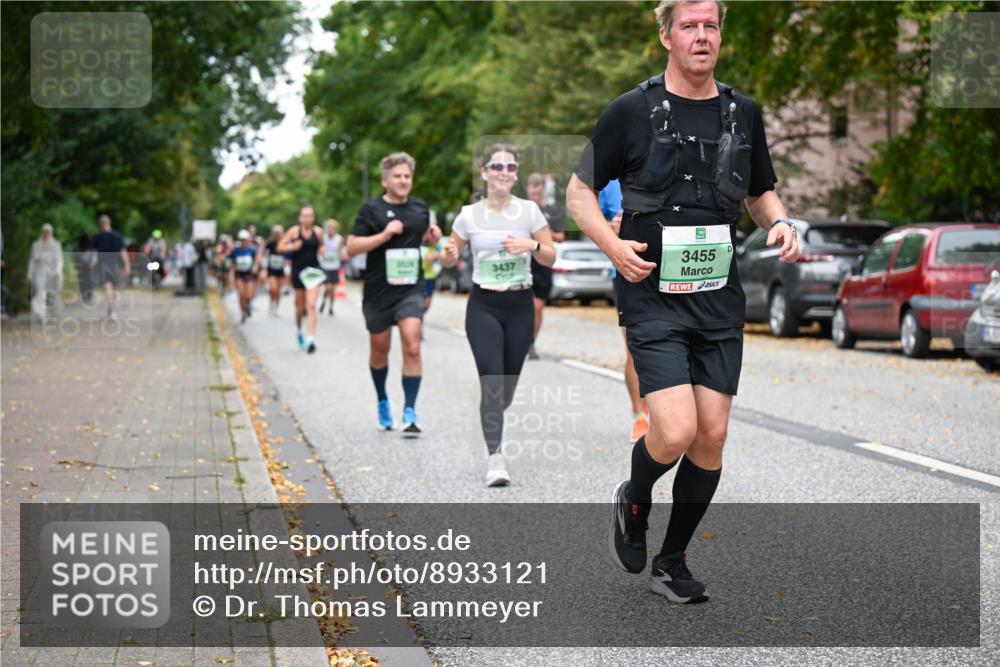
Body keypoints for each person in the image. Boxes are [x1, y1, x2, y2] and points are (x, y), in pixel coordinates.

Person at [566, 0, 800, 603]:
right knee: (672, 431)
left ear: (721, 34)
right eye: (690, 26)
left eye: (711, 26)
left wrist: (779, 223)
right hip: (651, 292)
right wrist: (612, 246)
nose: (702, 36)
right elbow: (579, 194)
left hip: (717, 293)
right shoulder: (630, 110)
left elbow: (760, 190)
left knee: (712, 436)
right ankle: (635, 497)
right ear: (666, 35)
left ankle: (673, 560)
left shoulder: (742, 112)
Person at [442, 144, 555, 486]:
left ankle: (493, 423)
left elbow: (550, 255)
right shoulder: (467, 215)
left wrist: (531, 246)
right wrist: (447, 254)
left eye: (509, 166)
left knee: (505, 390)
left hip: (520, 306)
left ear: (515, 174)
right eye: (497, 166)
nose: (503, 172)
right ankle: (496, 458)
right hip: (483, 307)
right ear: (485, 172)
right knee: (492, 383)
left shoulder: (530, 212)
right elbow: (449, 257)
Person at [346, 152, 442, 435]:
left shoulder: (420, 208)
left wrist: (431, 239)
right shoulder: (371, 210)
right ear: (385, 180)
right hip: (378, 292)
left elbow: (420, 238)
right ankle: (382, 401)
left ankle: (410, 411)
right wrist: (384, 235)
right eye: (397, 176)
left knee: (412, 344)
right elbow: (351, 247)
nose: (403, 181)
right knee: (380, 351)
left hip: (411, 288)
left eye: (407, 176)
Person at [601, 179, 650, 445]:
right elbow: (588, 219)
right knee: (634, 345)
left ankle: (663, 406)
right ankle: (639, 415)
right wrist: (608, 230)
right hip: (625, 270)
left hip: (668, 268)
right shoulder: (610, 182)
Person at [524, 173, 567, 360]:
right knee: (522, 307)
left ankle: (531, 342)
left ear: (542, 189)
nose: (535, 191)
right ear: (527, 189)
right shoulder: (520, 210)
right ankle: (519, 340)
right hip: (523, 261)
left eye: (538, 187)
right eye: (532, 188)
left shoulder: (552, 211)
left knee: (537, 307)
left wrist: (544, 232)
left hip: (543, 262)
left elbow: (561, 236)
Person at [277, 206, 325, 353]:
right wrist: (292, 246)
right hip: (298, 272)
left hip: (313, 272)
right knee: (300, 307)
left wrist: (322, 250)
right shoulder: (294, 232)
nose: (307, 219)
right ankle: (299, 330)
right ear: (300, 218)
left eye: (310, 216)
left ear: (313, 217)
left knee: (311, 305)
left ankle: (311, 339)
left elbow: (321, 245)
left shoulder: (318, 232)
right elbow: (280, 247)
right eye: (304, 216)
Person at [91, 214, 130, 321]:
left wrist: (127, 264)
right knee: (109, 287)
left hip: (110, 264)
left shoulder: (105, 236)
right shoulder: (111, 236)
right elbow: (122, 250)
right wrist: (127, 264)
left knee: (110, 288)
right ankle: (112, 307)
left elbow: (122, 250)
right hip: (109, 264)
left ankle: (111, 306)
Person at [28, 223, 64, 322]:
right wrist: (30, 275)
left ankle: (53, 314)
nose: (46, 234)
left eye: (48, 232)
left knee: (53, 295)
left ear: (51, 232)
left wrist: (58, 271)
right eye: (44, 232)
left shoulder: (56, 245)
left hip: (53, 273)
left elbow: (60, 260)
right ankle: (41, 314)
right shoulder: (36, 245)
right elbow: (32, 261)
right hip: (39, 272)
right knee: (40, 293)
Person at [229, 230, 260, 323]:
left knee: (248, 294)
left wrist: (255, 267)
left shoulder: (251, 249)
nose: (243, 241)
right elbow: (233, 264)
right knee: (241, 294)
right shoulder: (235, 251)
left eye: (245, 239)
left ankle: (248, 305)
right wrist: (231, 276)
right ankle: (243, 313)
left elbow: (256, 260)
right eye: (241, 239)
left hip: (249, 273)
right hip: (239, 274)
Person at [319, 219, 346, 316]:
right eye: (329, 228)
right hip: (325, 265)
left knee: (333, 289)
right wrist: (321, 252)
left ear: (335, 229)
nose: (330, 230)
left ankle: (330, 307)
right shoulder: (323, 238)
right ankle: (323, 301)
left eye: (332, 228)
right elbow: (319, 249)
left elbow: (341, 250)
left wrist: (341, 254)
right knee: (328, 287)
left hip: (335, 266)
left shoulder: (339, 239)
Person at [264, 225, 286, 317]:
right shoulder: (270, 244)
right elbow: (264, 254)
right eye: (275, 233)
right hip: (271, 269)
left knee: (278, 291)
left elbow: (288, 256)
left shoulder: (285, 243)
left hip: (281, 270)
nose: (277, 235)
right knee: (273, 288)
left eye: (279, 233)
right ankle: (271, 303)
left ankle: (276, 308)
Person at [420, 233, 444, 316]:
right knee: (417, 301)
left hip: (429, 276)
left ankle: (420, 316)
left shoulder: (433, 239)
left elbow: (442, 253)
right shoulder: (415, 237)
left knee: (427, 302)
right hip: (417, 277)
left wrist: (434, 256)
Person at [74, 233, 95, 303]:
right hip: (82, 267)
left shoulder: (91, 246)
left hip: (90, 267)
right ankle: (85, 295)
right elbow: (76, 257)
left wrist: (92, 262)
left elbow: (94, 255)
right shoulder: (78, 247)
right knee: (83, 282)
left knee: (90, 281)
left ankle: (89, 295)